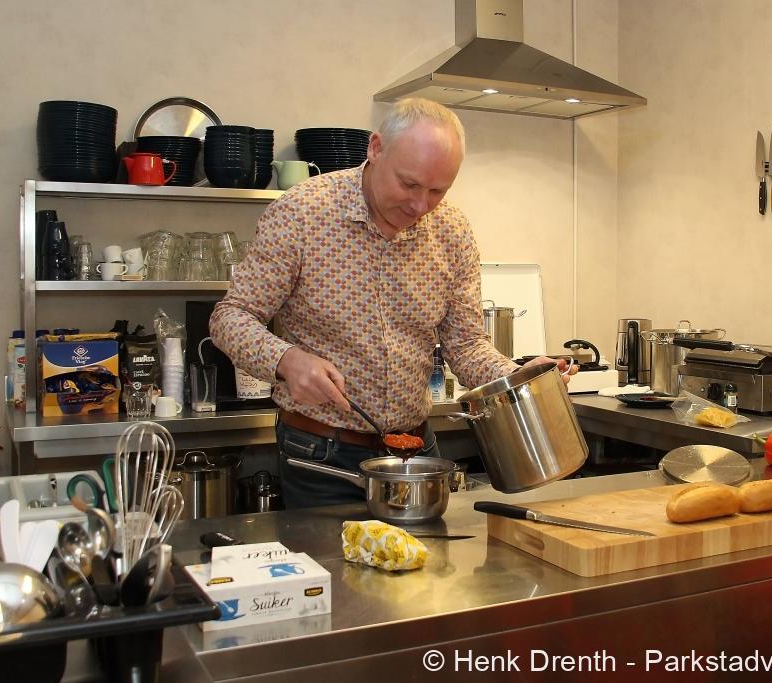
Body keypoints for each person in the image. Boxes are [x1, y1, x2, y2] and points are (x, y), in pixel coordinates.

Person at [210, 97, 576, 508]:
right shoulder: (302, 213)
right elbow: (230, 317)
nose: (420, 206)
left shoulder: (451, 230)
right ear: (376, 148)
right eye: (409, 184)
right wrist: (287, 360)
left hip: (415, 451)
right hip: (321, 453)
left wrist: (517, 378)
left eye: (437, 191)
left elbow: (466, 344)